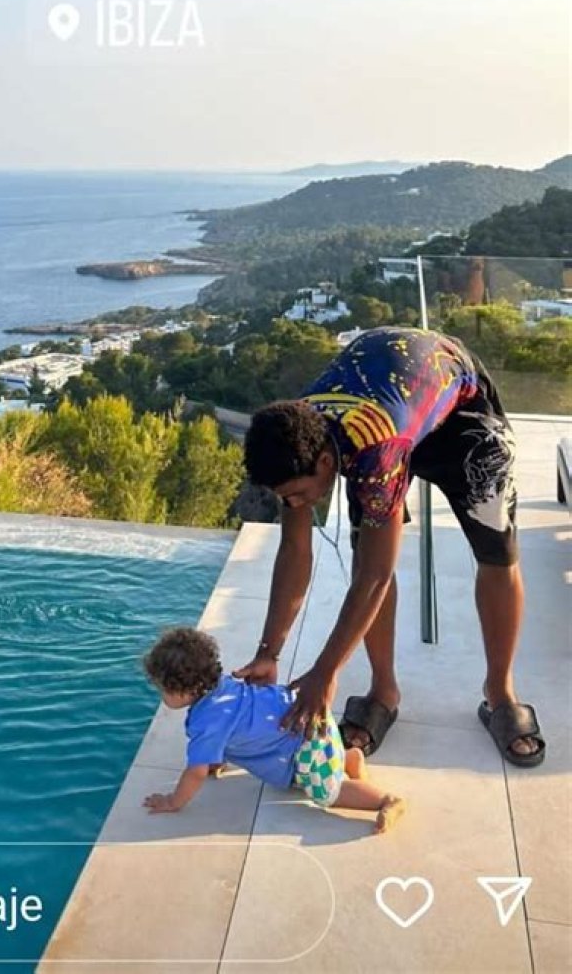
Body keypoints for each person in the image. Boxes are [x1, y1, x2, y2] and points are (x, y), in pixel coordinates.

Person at [237, 326, 545, 769]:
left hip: (461, 414)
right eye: (286, 497)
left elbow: (375, 577)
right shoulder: (295, 435)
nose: (296, 504)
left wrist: (325, 673)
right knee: (364, 550)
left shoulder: (374, 449)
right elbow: (295, 551)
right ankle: (383, 691)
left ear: (325, 462)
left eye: (298, 494)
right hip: (388, 408)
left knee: (495, 552)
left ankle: (500, 693)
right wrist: (268, 653)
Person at [141, 626, 404, 831]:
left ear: (183, 690)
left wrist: (173, 801)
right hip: (310, 718)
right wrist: (215, 761)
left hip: (306, 747)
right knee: (323, 759)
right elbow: (236, 725)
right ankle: (348, 757)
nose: (161, 695)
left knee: (329, 793)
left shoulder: (206, 722)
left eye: (162, 689)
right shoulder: (224, 685)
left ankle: (385, 801)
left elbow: (195, 773)